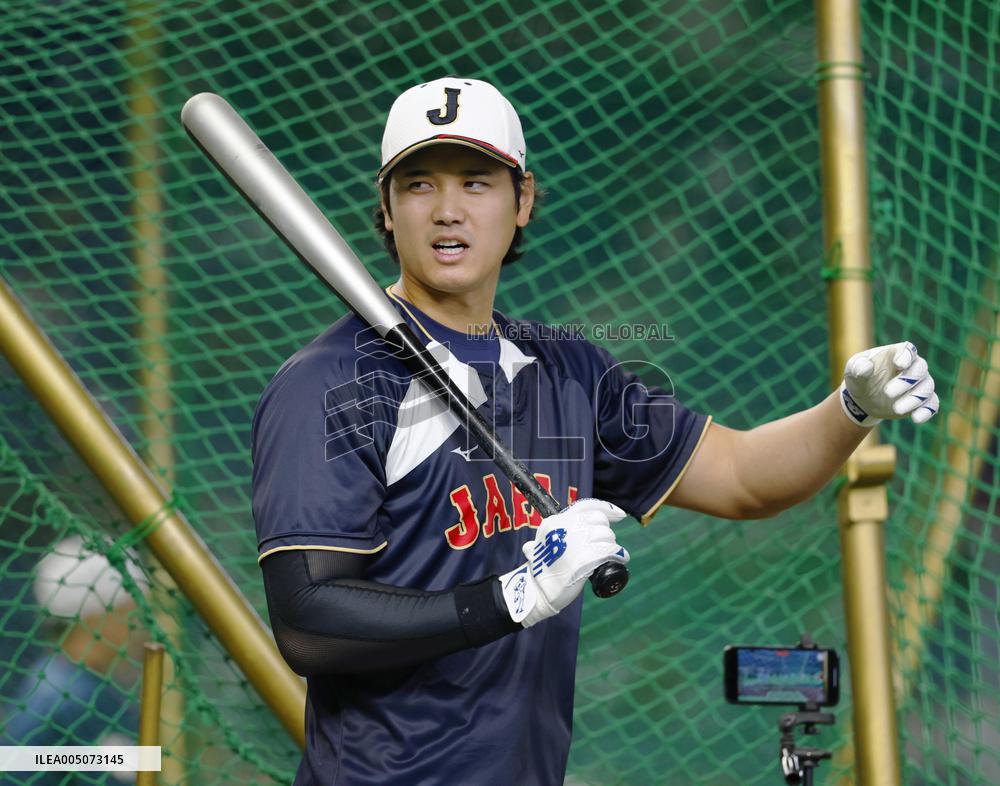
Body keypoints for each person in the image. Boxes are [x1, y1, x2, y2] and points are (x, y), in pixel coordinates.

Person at [250, 76, 938, 786]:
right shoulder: (331, 381)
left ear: (522, 201)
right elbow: (310, 621)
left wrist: (850, 409)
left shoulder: (568, 372)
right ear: (387, 210)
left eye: (477, 183)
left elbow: (740, 478)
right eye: (419, 185)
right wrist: (510, 598)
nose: (448, 211)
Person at [1, 535, 148, 786]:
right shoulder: (68, 694)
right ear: (97, 616)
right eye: (128, 611)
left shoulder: (78, 684)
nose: (137, 624)